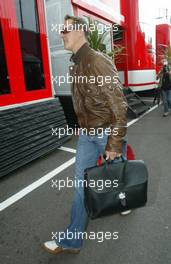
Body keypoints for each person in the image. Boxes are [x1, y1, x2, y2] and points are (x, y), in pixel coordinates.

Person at [43, 15, 129, 254]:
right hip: (87, 136)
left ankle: (124, 198)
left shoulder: (97, 61)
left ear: (80, 31)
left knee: (118, 171)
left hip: (105, 134)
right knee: (81, 186)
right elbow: (84, 102)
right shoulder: (76, 64)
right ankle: (72, 240)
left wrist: (113, 143)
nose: (61, 34)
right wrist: (82, 124)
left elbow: (119, 106)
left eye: (65, 30)